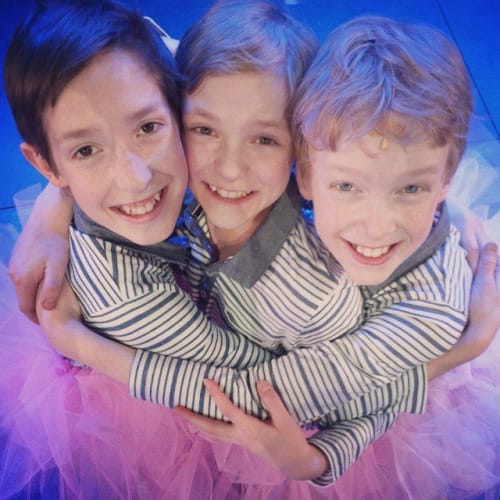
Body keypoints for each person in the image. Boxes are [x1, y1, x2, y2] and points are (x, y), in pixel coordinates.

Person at [3, 2, 500, 498]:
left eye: (264, 139)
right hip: (169, 376)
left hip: (327, 391)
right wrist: (54, 205)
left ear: (301, 152)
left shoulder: (321, 292)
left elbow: (276, 397)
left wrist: (459, 349)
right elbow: (123, 90)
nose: (230, 169)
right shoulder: (136, 247)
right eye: (203, 130)